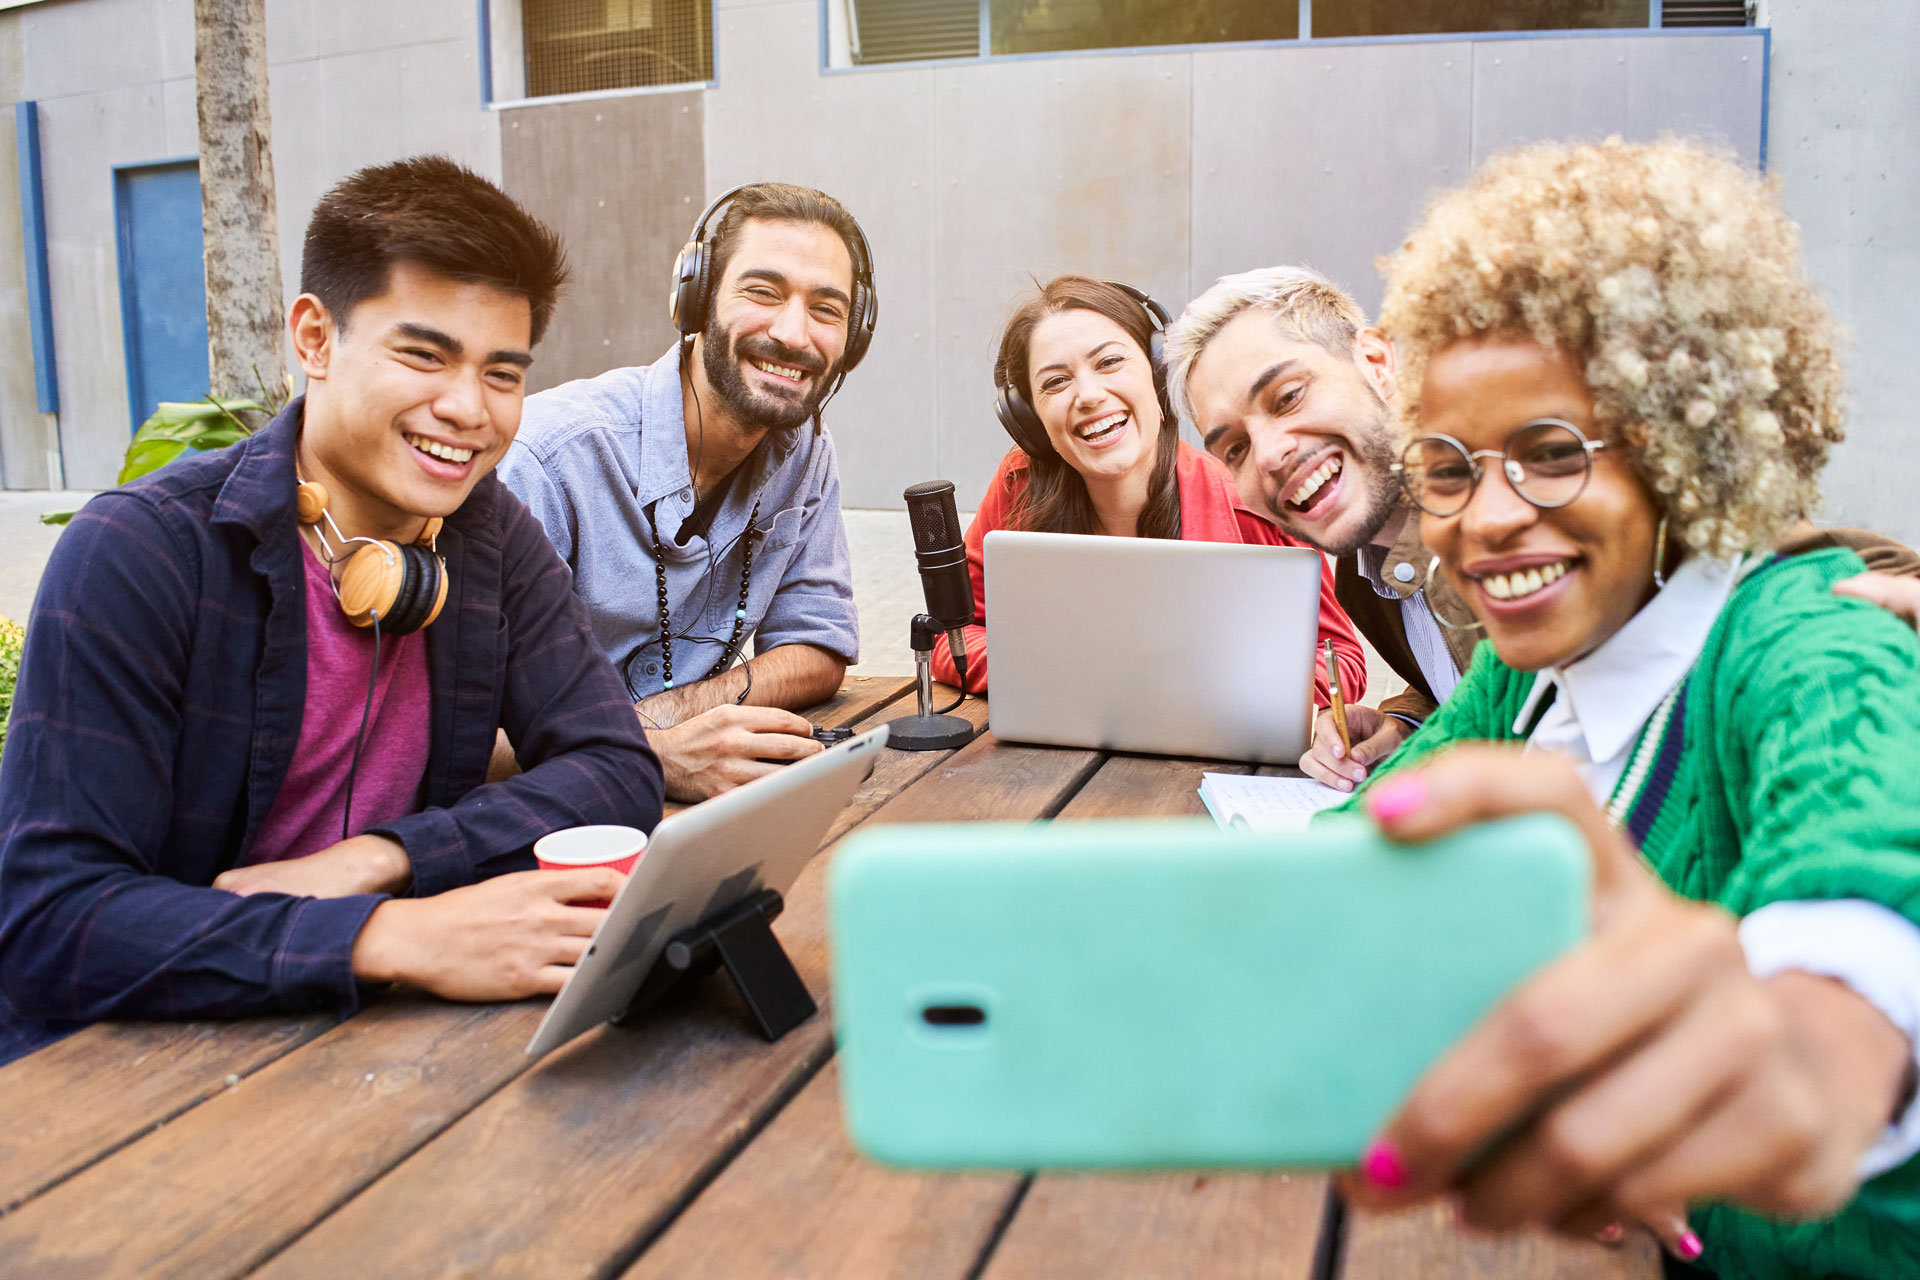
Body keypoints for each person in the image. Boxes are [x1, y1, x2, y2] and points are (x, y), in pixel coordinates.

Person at [1329, 138, 1920, 1280]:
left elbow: (1872, 859)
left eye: (1551, 454)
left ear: (1678, 439)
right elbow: (1370, 840)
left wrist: (1824, 1044)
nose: (1487, 517)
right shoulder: (1526, 664)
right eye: (1448, 468)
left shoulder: (1806, 632)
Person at [0, 157, 663, 1065]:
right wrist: (386, 935)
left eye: (502, 373)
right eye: (424, 355)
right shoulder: (141, 551)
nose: (468, 409)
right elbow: (50, 920)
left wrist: (382, 861)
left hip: (370, 1045)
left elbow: (614, 764)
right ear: (314, 338)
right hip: (134, 1065)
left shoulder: (486, 533)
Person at [1167, 267, 1920, 795]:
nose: (1269, 454)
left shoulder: (1580, 517)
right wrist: (1402, 720)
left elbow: (1810, 575)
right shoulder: (1368, 585)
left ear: (1377, 360)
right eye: (1231, 446)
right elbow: (1496, 694)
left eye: (1289, 395)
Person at [498, 184, 868, 803]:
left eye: (827, 309)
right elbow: (463, 731)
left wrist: (685, 711)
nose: (794, 333)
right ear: (695, 302)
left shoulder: (803, 449)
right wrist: (651, 750)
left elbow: (818, 644)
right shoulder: (548, 459)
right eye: (763, 292)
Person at [930, 275, 1366, 703]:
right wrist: (1064, 672)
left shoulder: (1250, 504)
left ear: (1159, 379)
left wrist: (1202, 684)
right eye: (1055, 382)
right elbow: (952, 637)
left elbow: (1341, 663)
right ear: (1031, 419)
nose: (1088, 394)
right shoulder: (1020, 483)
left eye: (1109, 362)